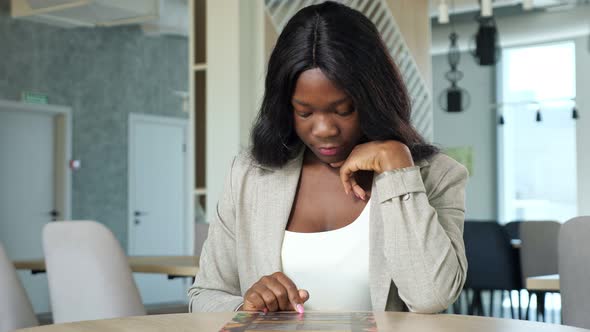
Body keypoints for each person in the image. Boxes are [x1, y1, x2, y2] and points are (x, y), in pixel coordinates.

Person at [189, 1, 468, 314]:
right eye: (304, 112)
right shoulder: (250, 176)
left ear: (374, 98)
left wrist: (397, 165)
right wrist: (247, 306)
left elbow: (431, 297)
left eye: (342, 110)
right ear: (285, 107)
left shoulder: (437, 175)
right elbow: (204, 295)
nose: (323, 130)